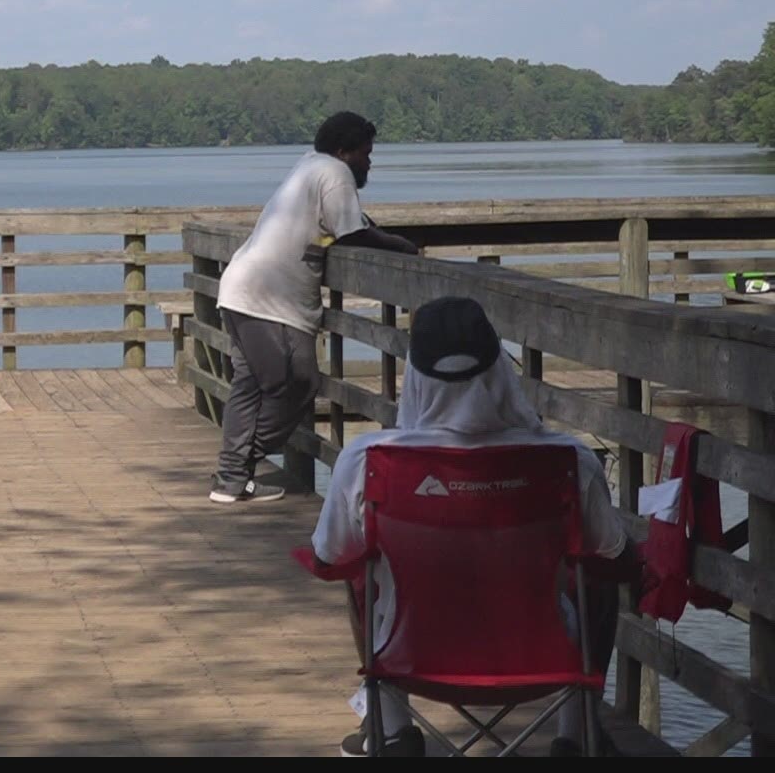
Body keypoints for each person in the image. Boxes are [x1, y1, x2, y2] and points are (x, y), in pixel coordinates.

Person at [313, 296, 635, 757]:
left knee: (358, 569)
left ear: (416, 378)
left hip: (413, 654)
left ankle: (392, 729)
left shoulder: (369, 461)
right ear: (499, 369)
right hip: (542, 654)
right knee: (598, 571)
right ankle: (577, 730)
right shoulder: (567, 459)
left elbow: (327, 557)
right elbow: (618, 558)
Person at [210, 111, 419, 504]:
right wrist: (400, 245)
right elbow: (353, 234)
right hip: (270, 299)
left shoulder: (308, 165)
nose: (369, 162)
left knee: (250, 385)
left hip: (240, 288)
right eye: (365, 153)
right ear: (344, 152)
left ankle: (232, 478)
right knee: (297, 382)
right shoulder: (334, 172)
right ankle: (234, 470)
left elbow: (343, 225)